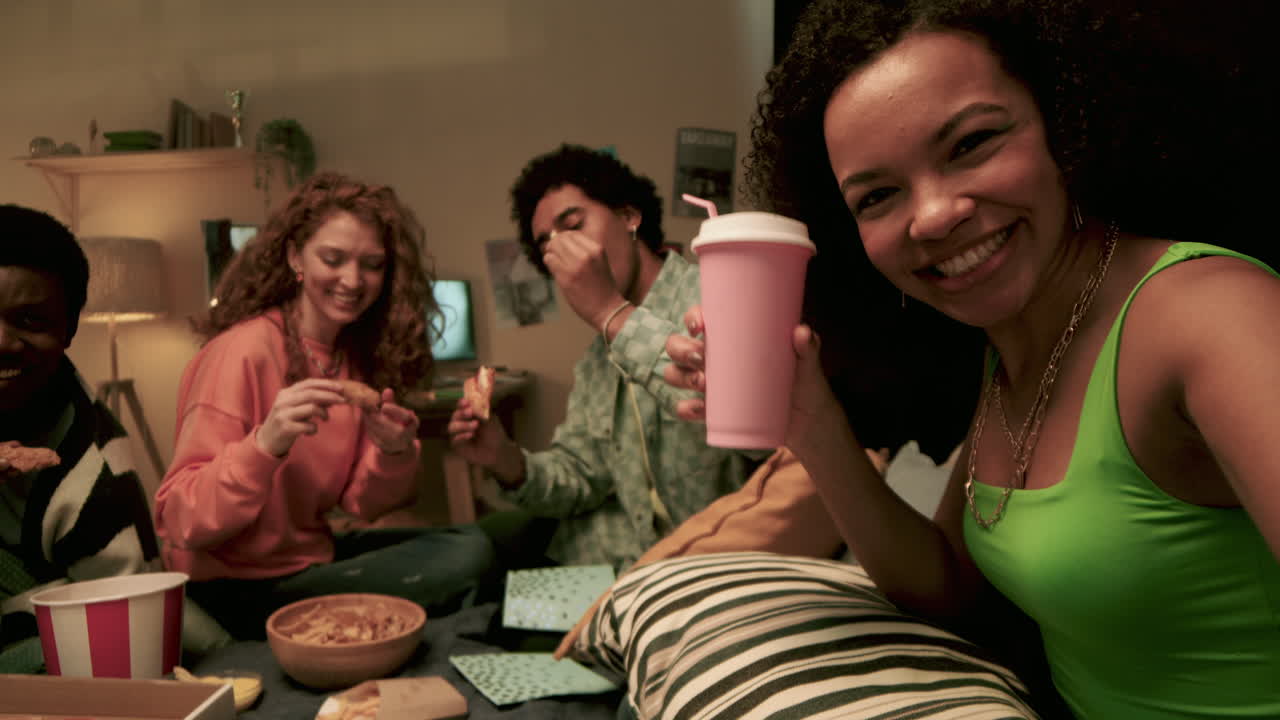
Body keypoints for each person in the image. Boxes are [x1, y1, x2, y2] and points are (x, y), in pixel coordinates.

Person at [664, 1, 1279, 717]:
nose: (932, 216)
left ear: (1062, 121)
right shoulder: (1011, 350)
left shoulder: (1212, 314)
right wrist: (813, 425)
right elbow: (947, 586)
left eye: (972, 143)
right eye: (878, 196)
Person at [154, 172, 494, 640]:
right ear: (295, 256)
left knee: (477, 541)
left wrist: (392, 451)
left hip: (312, 561)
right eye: (333, 259)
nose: (352, 281)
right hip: (237, 588)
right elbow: (181, 521)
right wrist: (264, 445)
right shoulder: (242, 352)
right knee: (466, 560)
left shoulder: (353, 359)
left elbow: (362, 504)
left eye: (372, 265)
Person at [447, 144, 758, 573]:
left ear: (629, 216)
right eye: (547, 246)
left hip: (717, 567)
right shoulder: (595, 363)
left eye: (573, 226)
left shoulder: (714, 292)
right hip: (618, 563)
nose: (562, 251)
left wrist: (611, 314)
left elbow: (758, 426)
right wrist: (505, 459)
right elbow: (580, 478)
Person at [0, 205, 161, 671]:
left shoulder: (96, 474)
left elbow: (126, 642)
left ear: (69, 329)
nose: (2, 342)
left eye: (30, 321)